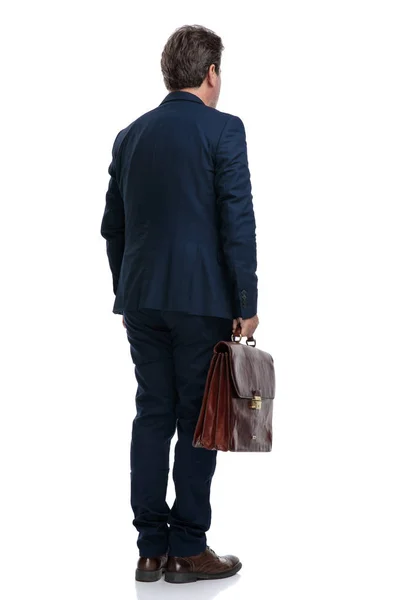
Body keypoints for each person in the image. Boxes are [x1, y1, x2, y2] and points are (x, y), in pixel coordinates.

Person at [100, 24, 259, 584]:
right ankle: (188, 547)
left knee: (152, 413)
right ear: (211, 73)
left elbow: (111, 227)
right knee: (198, 420)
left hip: (141, 298)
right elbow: (235, 219)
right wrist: (246, 299)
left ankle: (149, 550)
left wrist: (130, 285)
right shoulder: (223, 131)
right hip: (201, 300)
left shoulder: (130, 136)